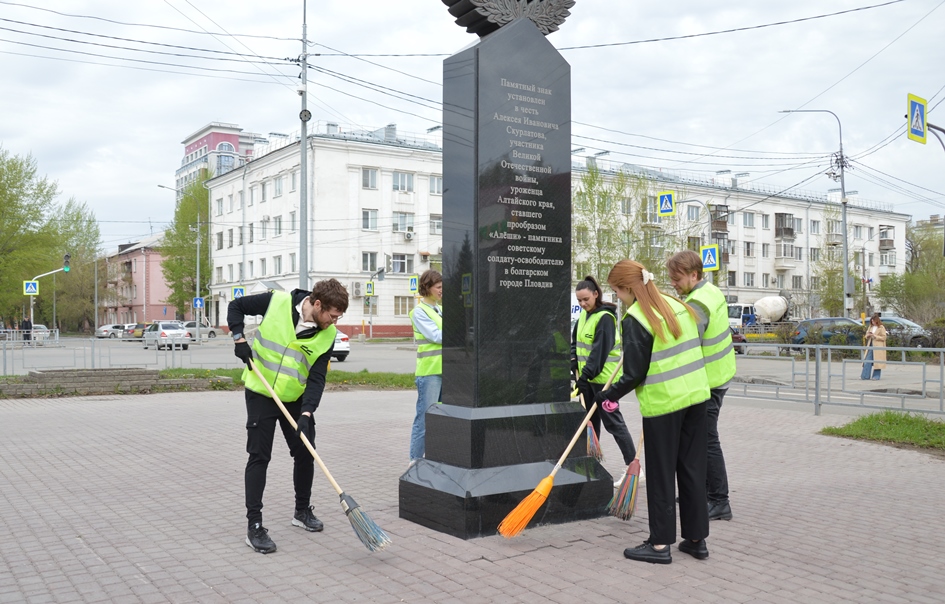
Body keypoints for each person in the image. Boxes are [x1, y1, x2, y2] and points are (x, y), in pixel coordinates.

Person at [598, 260, 711, 564]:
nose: (618, 297)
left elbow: (634, 373)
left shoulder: (636, 318)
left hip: (664, 405)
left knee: (662, 475)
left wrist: (608, 396)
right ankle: (696, 540)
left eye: (617, 291)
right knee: (692, 469)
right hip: (696, 397)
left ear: (628, 288)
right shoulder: (677, 305)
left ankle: (660, 545)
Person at [228, 279, 348, 554]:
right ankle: (254, 526)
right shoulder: (276, 301)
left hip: (295, 399)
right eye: (332, 315)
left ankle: (302, 511)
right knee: (259, 456)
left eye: (338, 318)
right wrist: (239, 339)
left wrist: (307, 412)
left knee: (306, 451)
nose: (333, 322)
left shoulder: (328, 335)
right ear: (317, 304)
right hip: (261, 392)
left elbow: (317, 378)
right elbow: (236, 306)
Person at [667, 250, 736, 522]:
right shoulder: (710, 292)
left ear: (694, 275)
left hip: (709, 381)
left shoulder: (698, 303)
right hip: (717, 376)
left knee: (706, 440)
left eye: (677, 278)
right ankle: (702, 492)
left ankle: (719, 501)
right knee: (700, 439)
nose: (673, 283)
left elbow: (686, 342)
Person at [569, 276, 636, 478]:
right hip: (588, 380)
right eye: (579, 300)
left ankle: (633, 464)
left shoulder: (605, 318)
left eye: (586, 299)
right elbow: (575, 343)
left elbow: (599, 353)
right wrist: (573, 361)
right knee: (590, 423)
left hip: (605, 382)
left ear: (596, 294)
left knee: (613, 423)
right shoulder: (583, 316)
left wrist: (585, 375)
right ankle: (592, 461)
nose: (583, 304)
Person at [408, 270, 443, 465]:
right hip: (430, 373)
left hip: (445, 371)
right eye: (438, 287)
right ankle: (415, 460)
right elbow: (435, 336)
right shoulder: (419, 312)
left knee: (440, 419)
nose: (442, 290)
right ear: (427, 288)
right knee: (424, 418)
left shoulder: (440, 310)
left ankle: (435, 459)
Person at [861, 313, 887, 380]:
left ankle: (876, 376)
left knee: (878, 362)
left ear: (877, 321)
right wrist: (868, 335)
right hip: (870, 345)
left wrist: (875, 336)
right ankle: (865, 376)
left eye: (873, 321)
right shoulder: (870, 327)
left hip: (878, 346)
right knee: (867, 361)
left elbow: (884, 337)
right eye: (871, 321)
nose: (872, 322)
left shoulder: (881, 327)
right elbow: (866, 335)